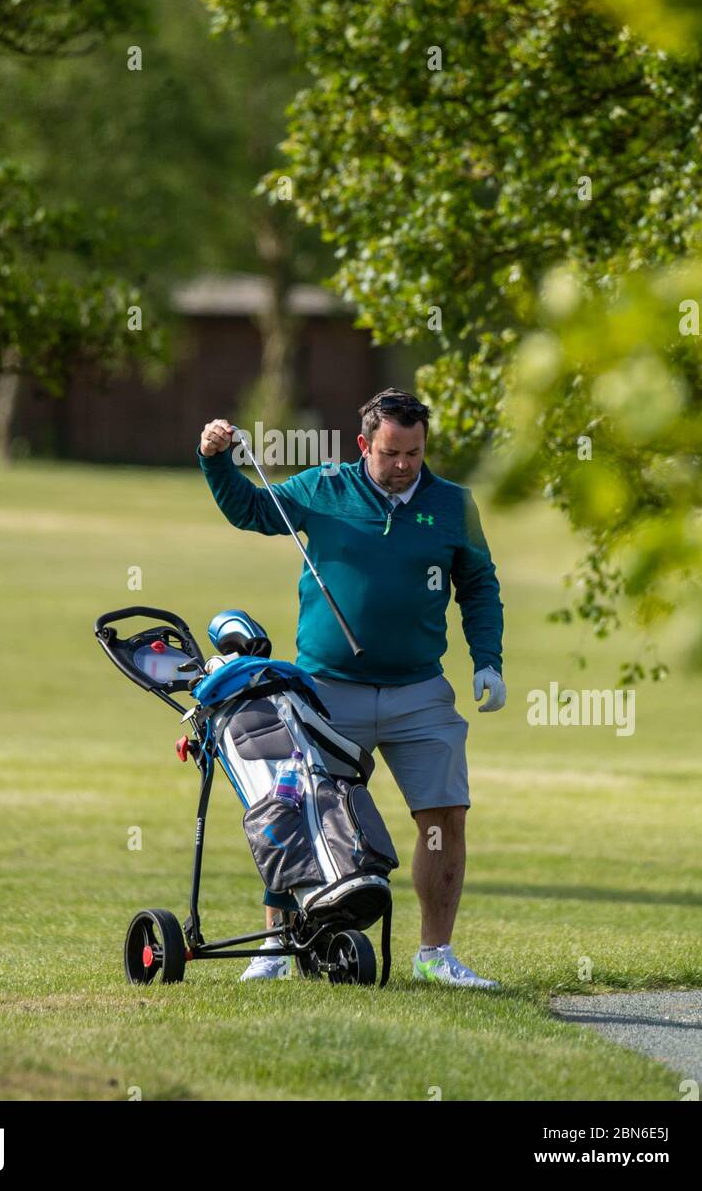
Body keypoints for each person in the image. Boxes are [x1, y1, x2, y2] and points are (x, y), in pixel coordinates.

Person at [196, 388, 505, 988]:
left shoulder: (453, 505)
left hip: (419, 690)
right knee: (292, 807)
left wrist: (487, 661)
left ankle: (435, 955)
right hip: (326, 689)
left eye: (414, 453)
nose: (403, 465)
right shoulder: (323, 487)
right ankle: (276, 946)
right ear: (365, 444)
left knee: (444, 817)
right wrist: (215, 459)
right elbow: (252, 510)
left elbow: (480, 584)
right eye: (391, 452)